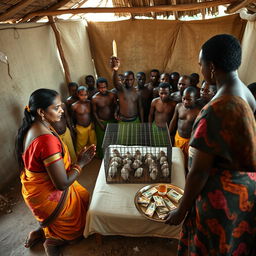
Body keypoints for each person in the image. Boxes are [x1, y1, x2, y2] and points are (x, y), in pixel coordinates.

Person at [165, 34, 256, 255]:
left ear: (212, 67)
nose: (201, 69)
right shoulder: (246, 92)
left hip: (221, 198)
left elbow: (198, 172)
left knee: (211, 245)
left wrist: (181, 210)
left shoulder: (215, 110)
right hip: (245, 190)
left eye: (201, 64)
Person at [15, 88, 96, 256]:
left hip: (37, 192)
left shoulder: (34, 127)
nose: (62, 110)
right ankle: (53, 241)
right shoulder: (46, 140)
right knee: (78, 231)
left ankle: (40, 231)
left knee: (82, 198)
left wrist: (74, 164)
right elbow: (62, 184)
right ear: (41, 112)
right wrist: (80, 163)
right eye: (56, 107)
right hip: (49, 195)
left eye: (61, 106)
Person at [169, 86, 200, 166]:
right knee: (177, 159)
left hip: (189, 141)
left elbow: (197, 129)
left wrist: (192, 142)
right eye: (184, 99)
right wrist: (168, 133)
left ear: (195, 98)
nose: (185, 101)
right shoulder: (179, 106)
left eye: (189, 99)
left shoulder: (198, 112)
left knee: (187, 163)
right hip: (178, 138)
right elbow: (173, 121)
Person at [92, 77, 117, 159]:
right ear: (97, 87)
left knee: (114, 140)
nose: (103, 89)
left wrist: (116, 113)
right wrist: (100, 124)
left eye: (104, 87)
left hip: (113, 121)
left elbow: (116, 106)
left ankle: (115, 157)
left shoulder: (112, 95)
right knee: (102, 142)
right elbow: (94, 112)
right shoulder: (95, 98)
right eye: (100, 88)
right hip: (101, 122)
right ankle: (104, 159)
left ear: (107, 86)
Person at [71, 86, 97, 154]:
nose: (84, 97)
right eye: (81, 95)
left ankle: (92, 154)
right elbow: (72, 117)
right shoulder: (74, 105)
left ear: (88, 94)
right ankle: (80, 156)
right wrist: (73, 126)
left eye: (85, 95)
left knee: (92, 141)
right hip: (81, 127)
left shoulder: (89, 103)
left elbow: (92, 114)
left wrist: (93, 123)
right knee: (81, 143)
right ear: (78, 95)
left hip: (90, 125)